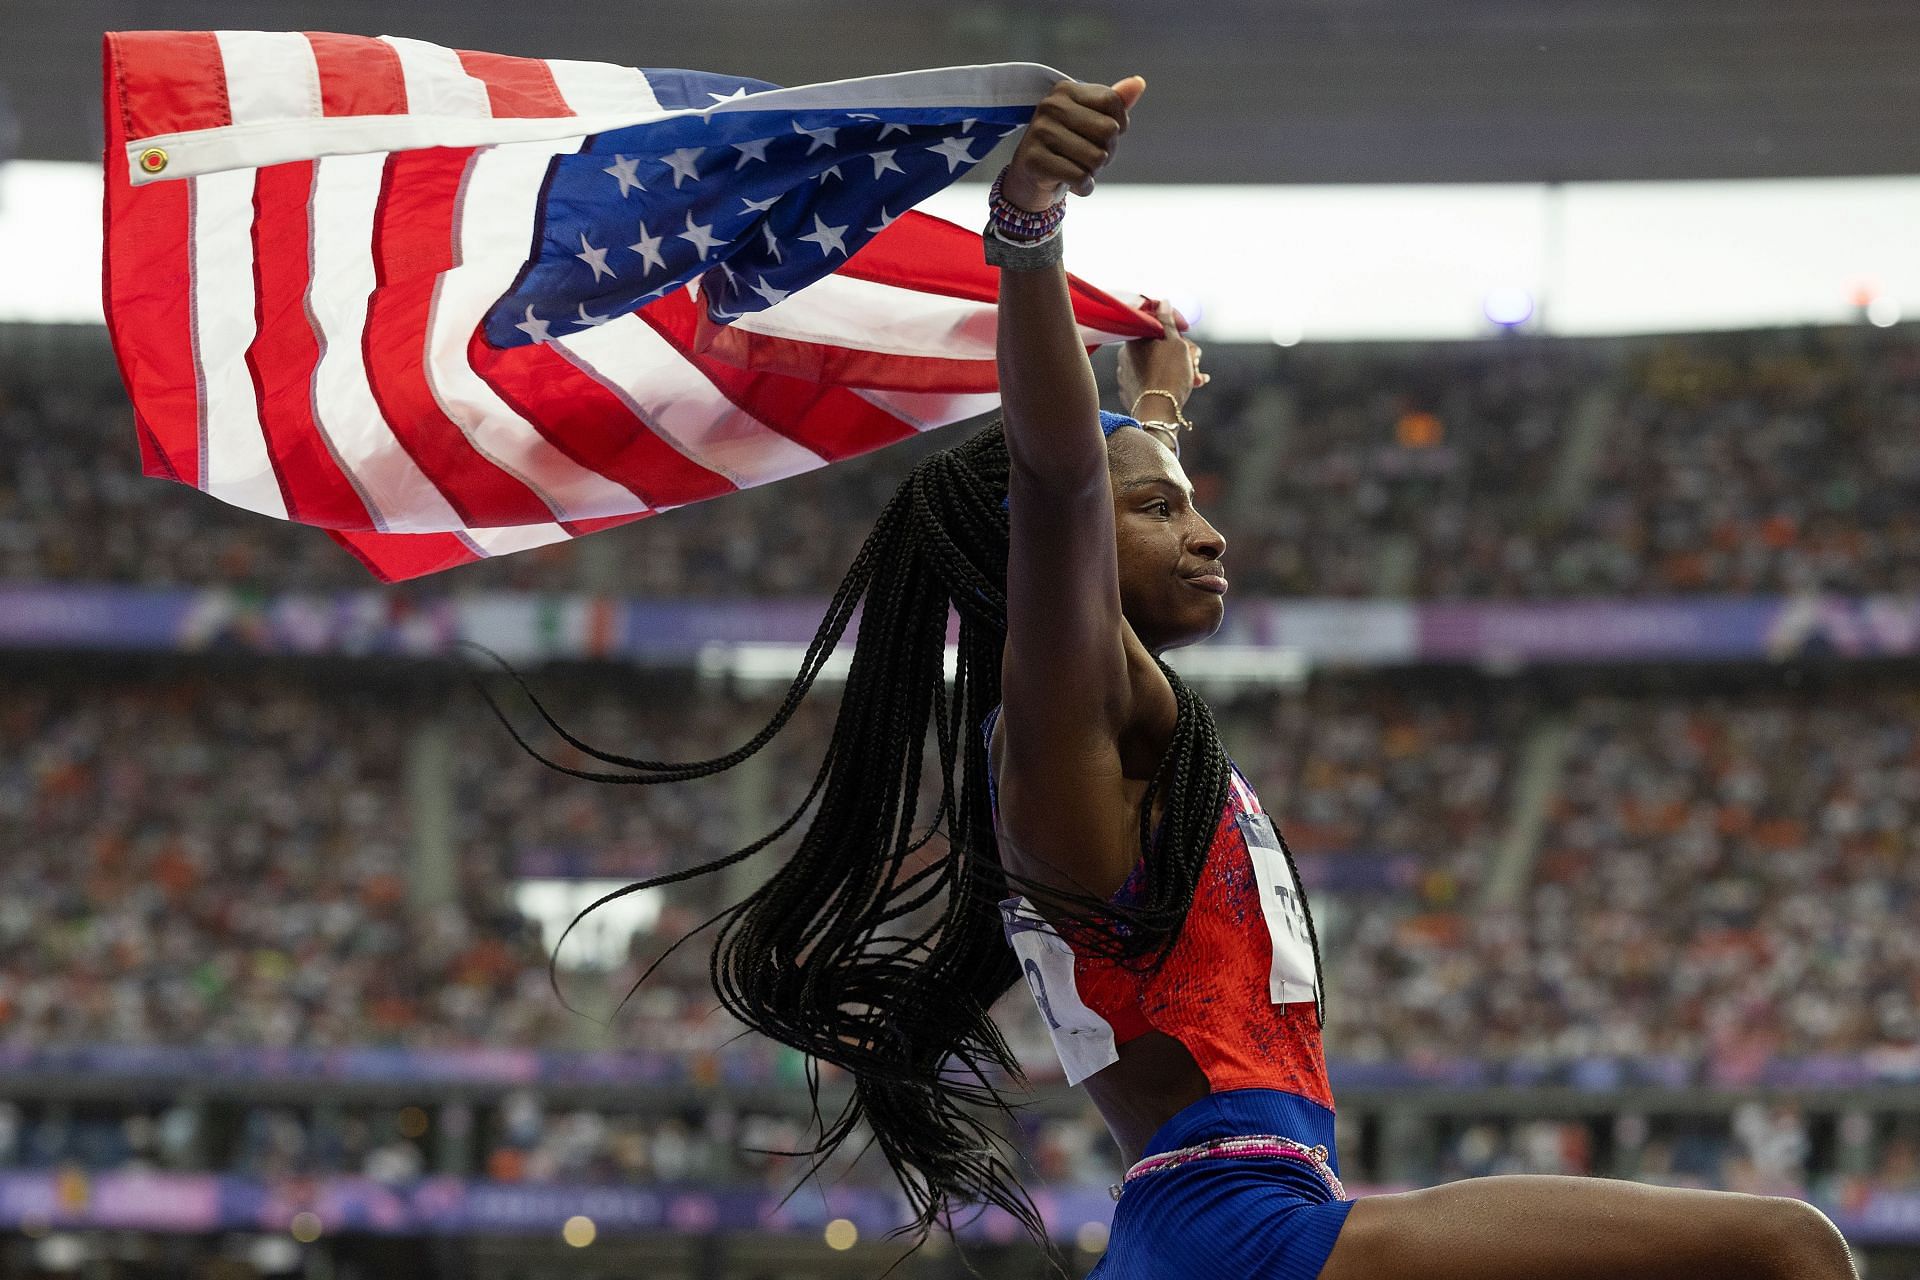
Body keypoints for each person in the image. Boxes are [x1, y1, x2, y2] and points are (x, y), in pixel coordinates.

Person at [484, 78, 1860, 1280]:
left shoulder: (1109, 724)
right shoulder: (1059, 716)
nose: (1207, 531)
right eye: (1163, 513)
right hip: (1243, 1231)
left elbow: (1098, 494)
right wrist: (1024, 237)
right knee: (1787, 1252)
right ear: (1052, 556)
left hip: (1221, 1225)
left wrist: (1159, 420)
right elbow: (1060, 480)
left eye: (1193, 503)